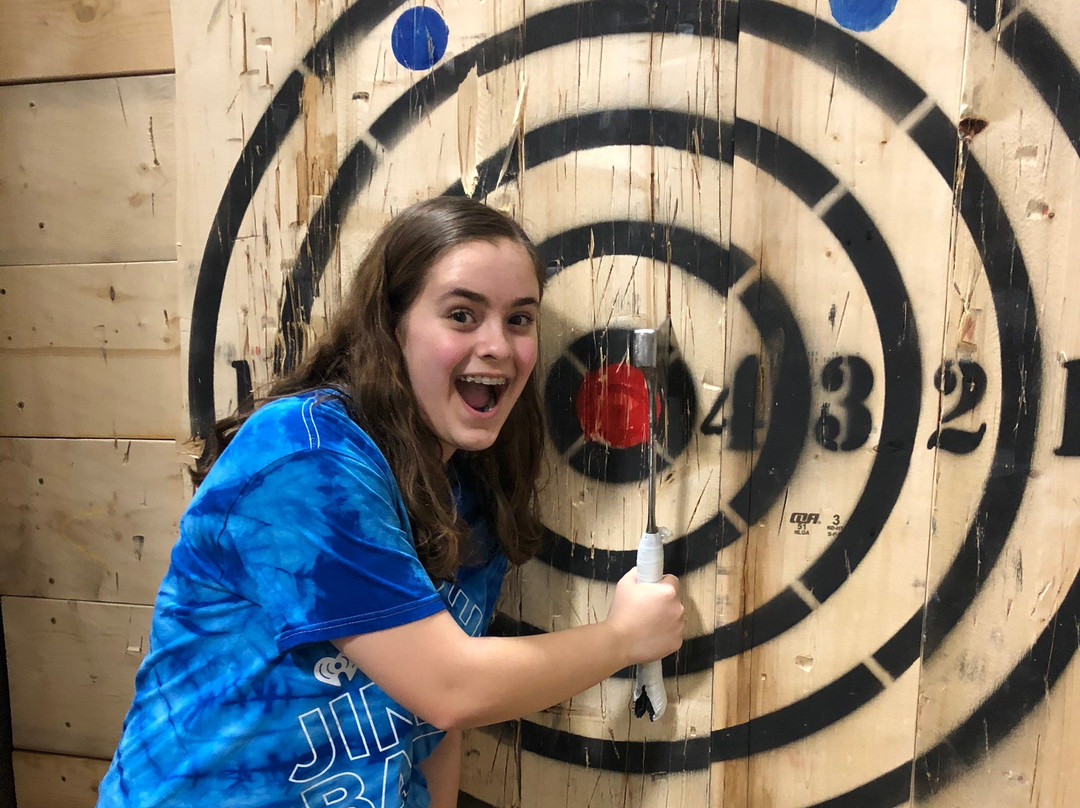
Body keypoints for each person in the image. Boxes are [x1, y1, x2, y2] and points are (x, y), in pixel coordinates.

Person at [97, 197, 684, 808]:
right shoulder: (304, 457)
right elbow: (450, 685)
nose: (499, 346)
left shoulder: (470, 493)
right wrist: (623, 638)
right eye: (462, 315)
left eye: (519, 319)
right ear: (392, 325)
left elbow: (431, 725)